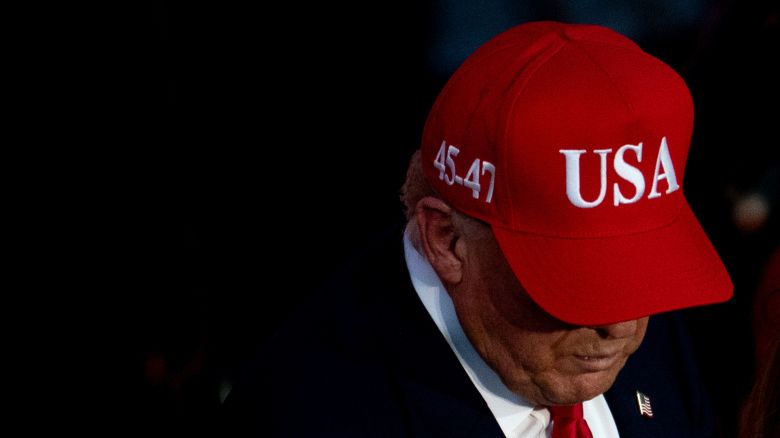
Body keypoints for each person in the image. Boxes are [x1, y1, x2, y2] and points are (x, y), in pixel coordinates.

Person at [223, 21, 733, 437]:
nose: (624, 327)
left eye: (640, 265)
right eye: (581, 284)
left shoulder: (637, 331)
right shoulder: (307, 415)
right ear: (446, 241)